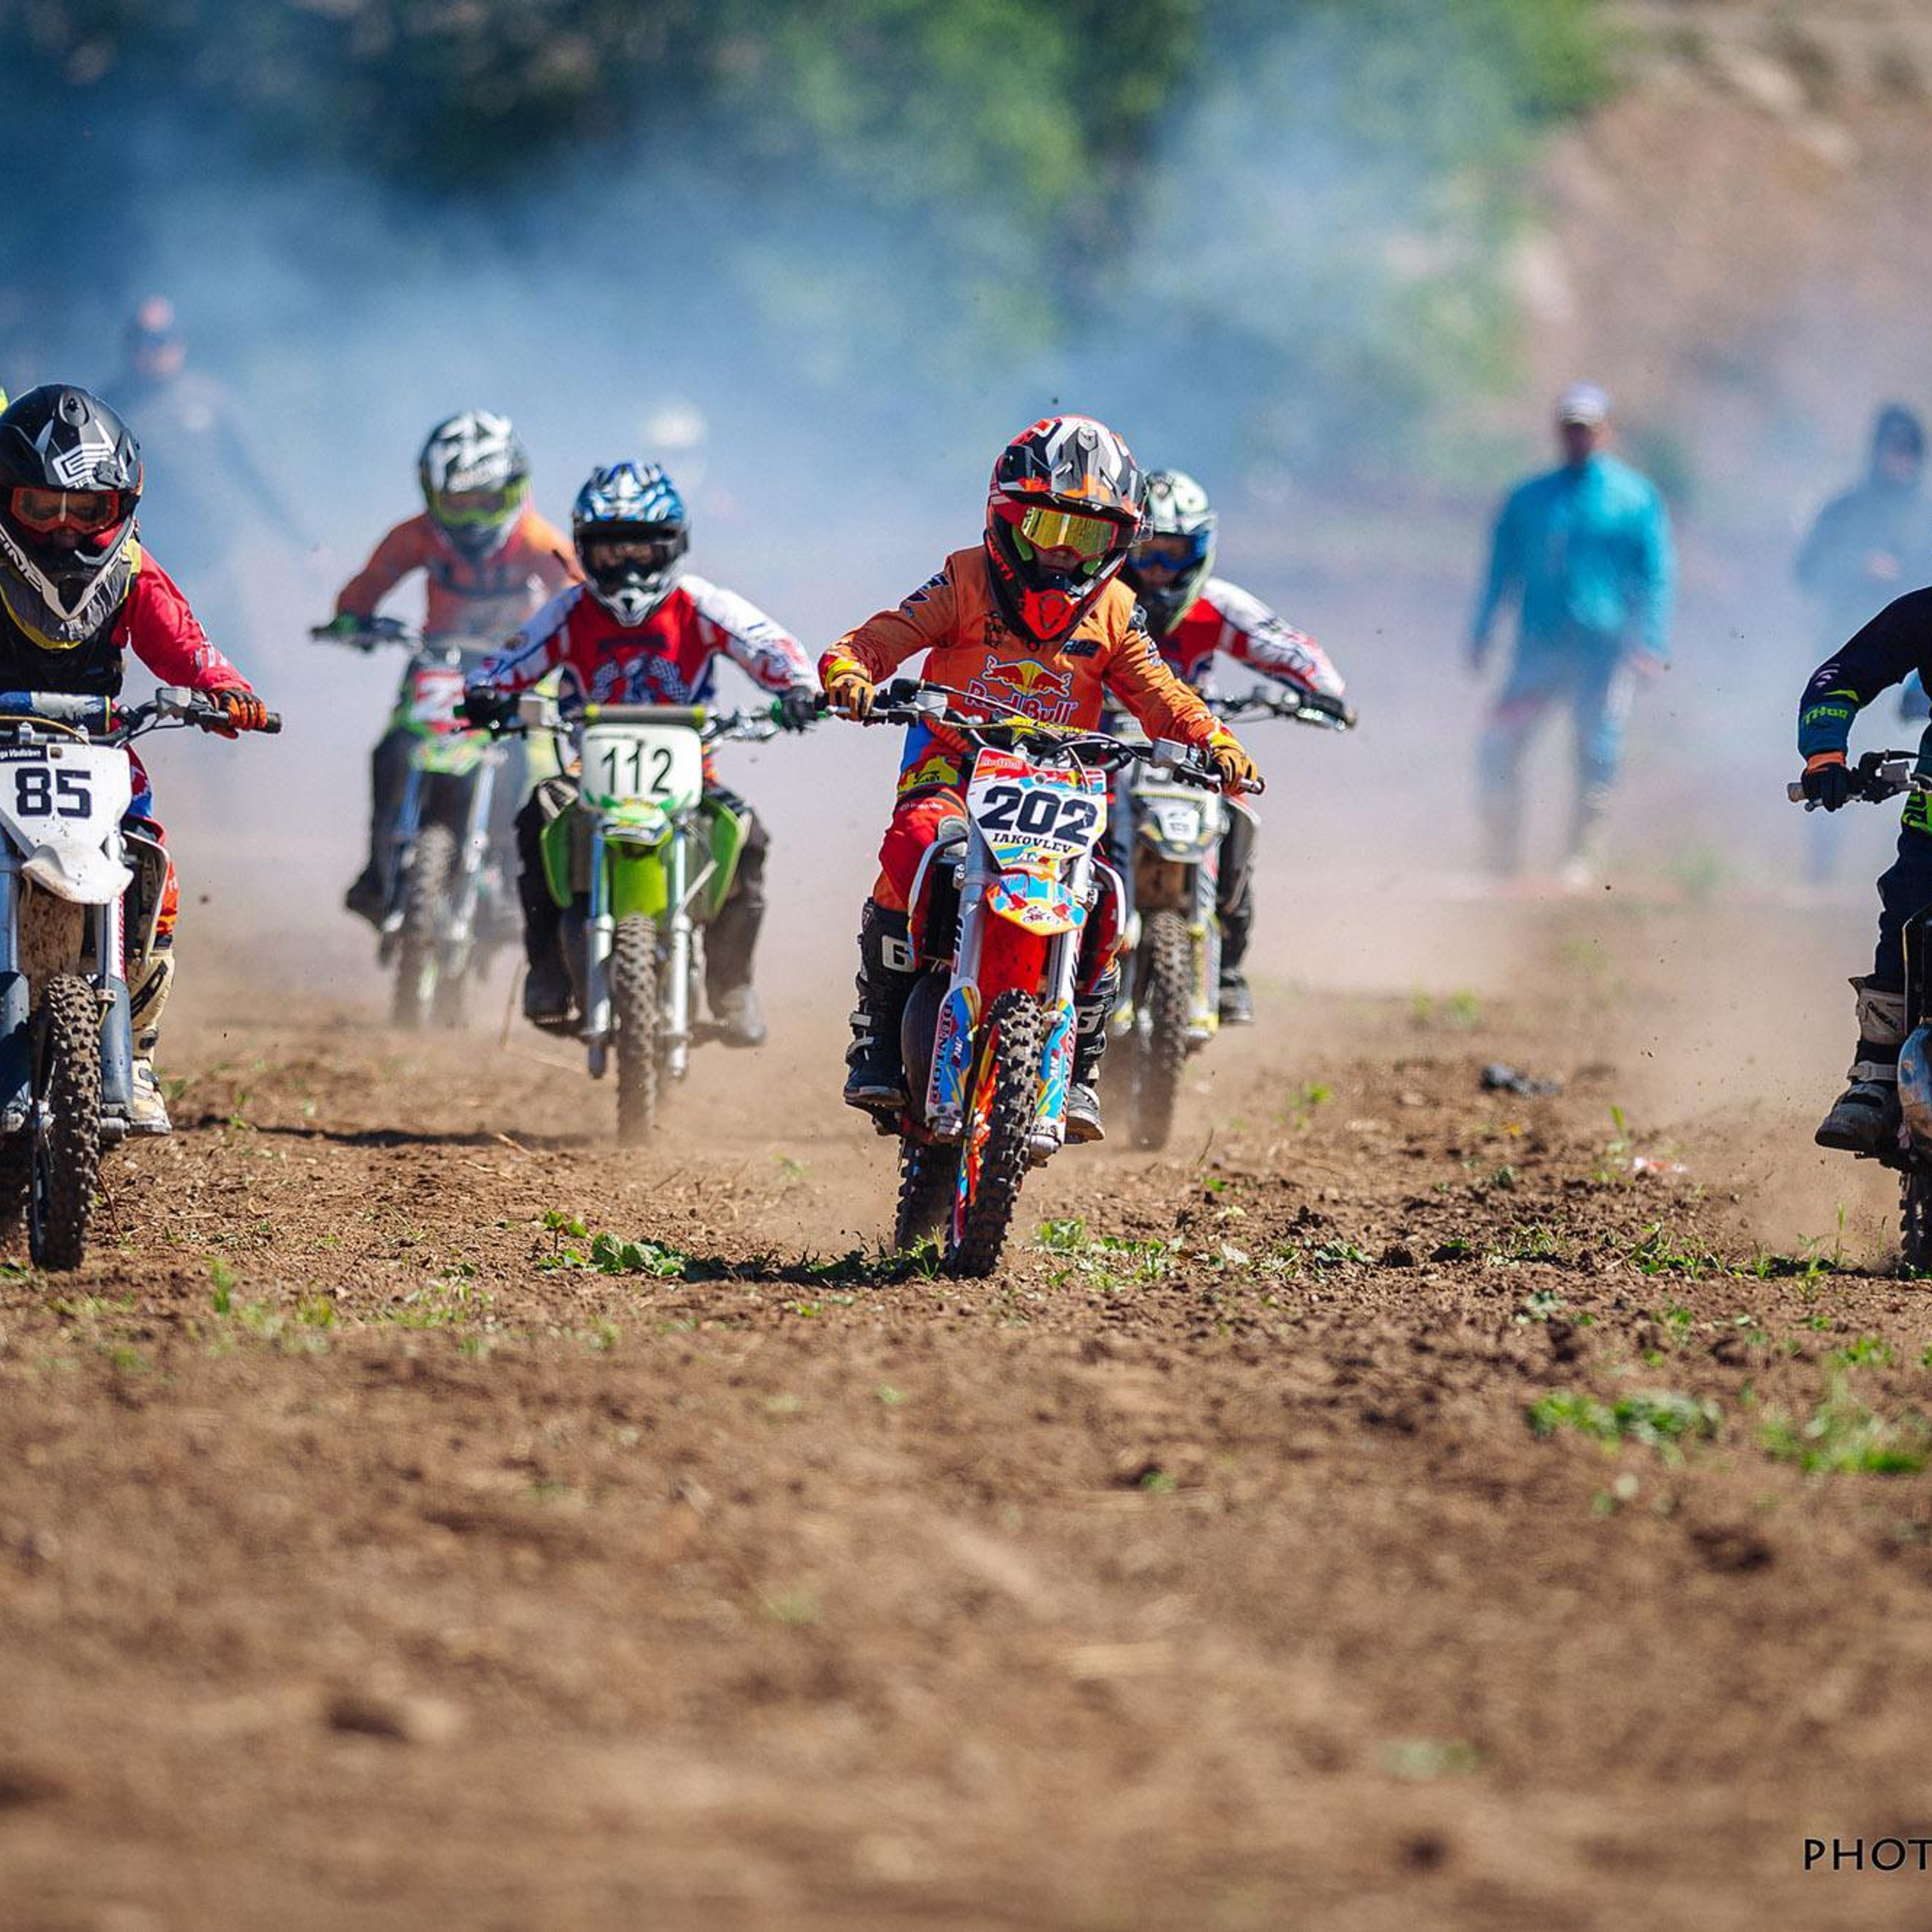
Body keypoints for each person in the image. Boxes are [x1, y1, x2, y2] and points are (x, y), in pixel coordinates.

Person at [820, 415, 1258, 1143]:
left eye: (1086, 536)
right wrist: (849, 670)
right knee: (916, 846)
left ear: (1116, 542)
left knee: (1103, 895)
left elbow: (1161, 693)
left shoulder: (1117, 610)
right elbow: (883, 636)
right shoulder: (964, 578)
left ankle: (1082, 1066)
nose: (1062, 553)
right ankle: (876, 1036)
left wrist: (1212, 738)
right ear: (1006, 518)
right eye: (1045, 528)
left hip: (1060, 781)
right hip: (953, 764)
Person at [461, 460, 816, 1044]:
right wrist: (486, 694)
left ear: (674, 548)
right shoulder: (572, 610)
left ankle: (731, 987)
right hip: (588, 773)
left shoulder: (699, 604)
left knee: (747, 837)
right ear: (583, 551)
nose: (626, 567)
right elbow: (510, 661)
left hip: (691, 776)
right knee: (535, 819)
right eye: (609, 553)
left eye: (642, 551)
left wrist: (798, 688)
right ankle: (547, 969)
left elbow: (768, 644)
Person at [0, 385, 274, 1133]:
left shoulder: (129, 570)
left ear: (120, 506)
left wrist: (225, 689)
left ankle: (139, 1051)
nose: (62, 531)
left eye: (86, 511)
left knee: (153, 865)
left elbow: (189, 648)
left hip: (98, 752)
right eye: (40, 508)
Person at [319, 412, 579, 924]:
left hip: (517, 670)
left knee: (537, 763)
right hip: (438, 661)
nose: (473, 519)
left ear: (515, 489)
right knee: (394, 748)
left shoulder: (540, 541)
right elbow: (367, 586)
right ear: (431, 495)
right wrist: (352, 621)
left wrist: (574, 649)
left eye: (486, 501)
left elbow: (580, 602)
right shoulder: (416, 537)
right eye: (457, 504)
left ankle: (512, 879)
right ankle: (378, 869)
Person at [1121, 467, 1349, 1023]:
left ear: (1199, 551)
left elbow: (1286, 645)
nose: (1156, 572)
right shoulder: (1100, 600)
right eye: (1147, 552)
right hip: (1108, 742)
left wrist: (1324, 693)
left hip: (1195, 747)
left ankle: (1227, 969)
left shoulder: (1215, 606)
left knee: (1237, 818)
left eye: (1172, 555)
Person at [1469, 384, 1675, 884]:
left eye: (1586, 428)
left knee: (1595, 749)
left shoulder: (1634, 498)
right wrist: (1482, 630)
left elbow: (1656, 575)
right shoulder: (1529, 499)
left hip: (1602, 654)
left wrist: (1651, 642)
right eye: (1569, 428)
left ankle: (1582, 854)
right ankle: (1503, 854)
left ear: (1605, 431)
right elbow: (1500, 571)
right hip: (1538, 649)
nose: (1577, 437)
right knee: (1500, 744)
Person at [1795, 588, 1932, 1149]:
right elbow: (1841, 675)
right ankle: (1874, 1077)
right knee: (1907, 911)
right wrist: (1826, 754)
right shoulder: (1924, 613)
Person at [100, 297, 303, 587]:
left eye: (158, 340)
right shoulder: (108, 409)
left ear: (178, 342)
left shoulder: (210, 399)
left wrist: (303, 543)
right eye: (139, 340)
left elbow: (258, 474)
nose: (148, 350)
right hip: (143, 569)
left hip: (215, 565)